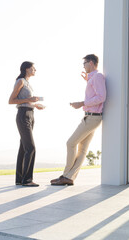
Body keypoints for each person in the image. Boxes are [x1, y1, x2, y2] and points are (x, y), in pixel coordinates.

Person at [51, 54, 106, 186]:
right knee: (82, 149)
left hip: (92, 117)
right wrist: (87, 81)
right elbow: (94, 93)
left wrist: (81, 103)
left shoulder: (98, 76)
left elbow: (101, 97)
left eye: (85, 63)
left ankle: (66, 175)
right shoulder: (93, 78)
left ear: (91, 63)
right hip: (91, 117)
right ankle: (69, 177)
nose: (84, 66)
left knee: (70, 143)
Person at [9, 61, 45, 187]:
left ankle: (20, 179)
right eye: (33, 68)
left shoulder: (28, 83)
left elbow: (25, 101)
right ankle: (27, 180)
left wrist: (35, 105)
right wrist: (29, 100)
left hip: (30, 113)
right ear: (27, 69)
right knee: (31, 147)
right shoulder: (21, 81)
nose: (35, 70)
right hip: (23, 115)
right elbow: (11, 100)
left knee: (24, 147)